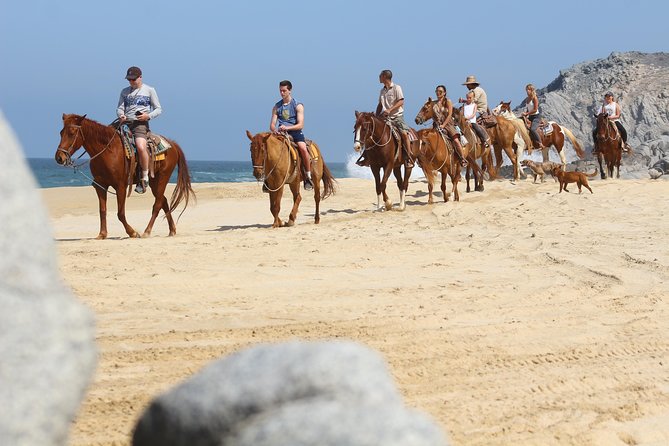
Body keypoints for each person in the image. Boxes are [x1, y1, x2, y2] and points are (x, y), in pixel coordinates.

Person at [117, 66, 162, 194]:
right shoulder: (124, 91)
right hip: (125, 122)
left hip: (140, 124)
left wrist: (148, 116)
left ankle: (144, 176)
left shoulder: (149, 90)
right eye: (129, 80)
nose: (131, 82)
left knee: (141, 147)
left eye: (133, 79)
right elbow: (119, 108)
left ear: (140, 77)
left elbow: (158, 109)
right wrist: (121, 115)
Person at [270, 80, 313, 190]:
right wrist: (274, 129)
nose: (282, 93)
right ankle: (268, 176)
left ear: (290, 91)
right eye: (280, 91)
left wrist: (287, 128)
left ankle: (308, 176)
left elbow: (300, 125)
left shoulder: (298, 105)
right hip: (281, 133)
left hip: (295, 132)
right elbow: (272, 124)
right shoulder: (277, 106)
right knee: (268, 147)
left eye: (284, 91)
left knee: (303, 148)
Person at [375, 70, 414, 168]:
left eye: (380, 76)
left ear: (384, 76)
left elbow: (401, 102)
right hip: (385, 118)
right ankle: (367, 157)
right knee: (373, 131)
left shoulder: (397, 88)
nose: (379, 77)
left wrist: (389, 110)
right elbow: (380, 105)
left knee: (404, 134)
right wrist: (376, 117)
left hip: (397, 117)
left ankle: (408, 157)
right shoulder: (382, 91)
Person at [433, 85, 467, 166]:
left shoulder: (448, 101)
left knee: (456, 140)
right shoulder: (434, 103)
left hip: (448, 124)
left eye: (440, 91)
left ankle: (462, 158)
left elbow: (449, 115)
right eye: (437, 91)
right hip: (437, 124)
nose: (438, 93)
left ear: (444, 93)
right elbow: (433, 115)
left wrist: (443, 125)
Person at [521, 84, 544, 150]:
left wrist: (526, 113)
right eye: (526, 90)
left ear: (531, 90)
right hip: (530, 116)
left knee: (532, 129)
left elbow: (535, 109)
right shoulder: (527, 99)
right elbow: (528, 108)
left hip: (536, 117)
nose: (527, 91)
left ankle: (540, 143)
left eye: (528, 89)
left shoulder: (535, 98)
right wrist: (524, 114)